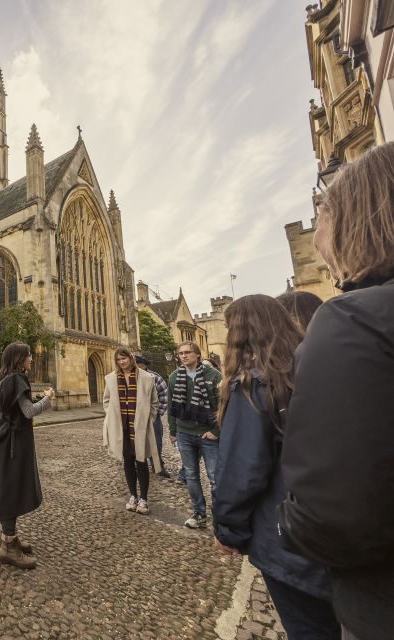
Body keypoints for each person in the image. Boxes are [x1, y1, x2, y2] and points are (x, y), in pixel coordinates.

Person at [278, 143, 394, 640]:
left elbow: (331, 514)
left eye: (323, 216)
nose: (320, 243)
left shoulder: (353, 319)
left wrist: (284, 524)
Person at [212, 295, 338, 639]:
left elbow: (242, 471)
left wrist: (228, 532)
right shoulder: (317, 371)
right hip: (334, 530)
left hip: (287, 536)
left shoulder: (253, 385)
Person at [0, 342, 54, 570]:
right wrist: (48, 398)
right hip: (12, 449)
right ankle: (8, 547)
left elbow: (15, 409)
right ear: (19, 358)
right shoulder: (17, 379)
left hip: (3, 446)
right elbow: (28, 411)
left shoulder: (3, 379)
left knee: (8, 490)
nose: (32, 358)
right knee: (11, 492)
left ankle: (9, 538)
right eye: (28, 355)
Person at [168, 340, 222, 529]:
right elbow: (171, 408)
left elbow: (222, 406)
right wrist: (173, 431)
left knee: (215, 477)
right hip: (184, 433)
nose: (184, 356)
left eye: (187, 353)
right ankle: (199, 514)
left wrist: (216, 431)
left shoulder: (214, 375)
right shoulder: (174, 377)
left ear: (197, 354)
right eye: (181, 353)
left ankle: (221, 518)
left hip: (207, 435)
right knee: (191, 475)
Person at [103, 348, 161, 515]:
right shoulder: (112, 379)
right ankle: (133, 495)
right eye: (119, 359)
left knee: (141, 461)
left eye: (124, 358)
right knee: (127, 461)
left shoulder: (146, 377)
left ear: (131, 358)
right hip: (122, 427)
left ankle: (144, 498)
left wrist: (147, 420)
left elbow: (154, 404)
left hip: (139, 427)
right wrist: (112, 415)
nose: (122, 362)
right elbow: (106, 401)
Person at [134, 355, 169, 478]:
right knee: (136, 442)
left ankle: (157, 465)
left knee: (156, 442)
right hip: (134, 417)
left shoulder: (154, 377)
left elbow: (164, 395)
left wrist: (156, 414)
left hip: (152, 416)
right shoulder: (129, 376)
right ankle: (138, 466)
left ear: (143, 365)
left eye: (136, 363)